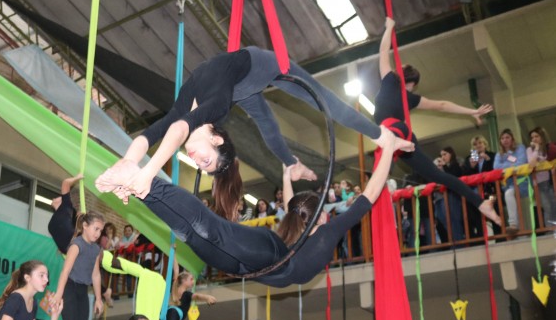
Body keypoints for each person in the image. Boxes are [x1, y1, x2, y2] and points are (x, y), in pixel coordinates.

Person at [96, 46, 414, 220]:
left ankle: (372, 138)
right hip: (252, 74)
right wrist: (133, 166)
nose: (196, 159)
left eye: (200, 164)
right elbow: (167, 134)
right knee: (293, 115)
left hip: (256, 71)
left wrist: (136, 164)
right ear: (216, 139)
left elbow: (158, 134)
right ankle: (302, 160)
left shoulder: (191, 113)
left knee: (302, 108)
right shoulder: (215, 109)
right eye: (206, 161)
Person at [98, 136, 411, 288]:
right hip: (263, 259)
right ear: (321, 215)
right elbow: (370, 194)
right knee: (206, 228)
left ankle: (141, 190)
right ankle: (143, 183)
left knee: (190, 233)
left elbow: (295, 202)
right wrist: (388, 149)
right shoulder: (326, 231)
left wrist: (289, 173)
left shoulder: (303, 228)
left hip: (246, 265)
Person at [375, 17, 500, 227]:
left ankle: (393, 154)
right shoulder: (410, 97)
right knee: (435, 175)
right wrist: (471, 111)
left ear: (405, 79)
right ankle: (480, 203)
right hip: (401, 135)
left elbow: (383, 50)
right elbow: (442, 105)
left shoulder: (388, 81)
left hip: (393, 132)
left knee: (381, 158)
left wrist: (388, 28)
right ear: (412, 84)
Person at [52, 211, 105, 320]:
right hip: (69, 287)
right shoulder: (76, 245)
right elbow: (65, 271)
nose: (98, 234)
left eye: (100, 231)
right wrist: (59, 294)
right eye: (95, 229)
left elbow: (95, 274)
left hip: (83, 290)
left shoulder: (96, 250)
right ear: (84, 226)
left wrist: (98, 298)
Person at [493, 129, 529, 238]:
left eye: (507, 137)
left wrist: (506, 164)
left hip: (523, 183)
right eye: (502, 138)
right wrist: (511, 165)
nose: (505, 140)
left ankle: (513, 224)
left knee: (527, 210)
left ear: (512, 139)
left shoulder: (520, 148)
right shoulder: (499, 154)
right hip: (508, 185)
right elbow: (496, 168)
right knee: (511, 198)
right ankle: (518, 232)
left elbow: (521, 162)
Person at [47, 174, 84, 255]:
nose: (54, 198)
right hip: (71, 247)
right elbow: (66, 183)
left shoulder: (66, 211)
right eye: (55, 198)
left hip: (70, 248)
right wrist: (78, 177)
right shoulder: (66, 206)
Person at [527, 126, 556, 227]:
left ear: (542, 137)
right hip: (538, 183)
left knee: (553, 204)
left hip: (550, 181)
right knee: (546, 206)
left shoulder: (548, 148)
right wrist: (537, 149)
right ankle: (550, 229)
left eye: (537, 136)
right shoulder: (530, 150)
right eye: (532, 137)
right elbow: (532, 164)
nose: (534, 139)